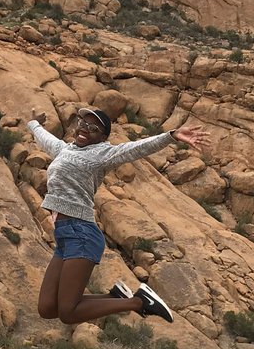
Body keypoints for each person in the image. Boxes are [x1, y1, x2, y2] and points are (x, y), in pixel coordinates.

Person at [27, 106, 211, 326]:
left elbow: (134, 149)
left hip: (81, 234)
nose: (85, 129)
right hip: (65, 237)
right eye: (82, 123)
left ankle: (139, 302)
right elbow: (45, 139)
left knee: (68, 313)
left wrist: (170, 136)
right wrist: (34, 124)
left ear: (102, 138)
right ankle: (114, 298)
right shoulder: (66, 150)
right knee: (47, 308)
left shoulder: (102, 154)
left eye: (93, 128)